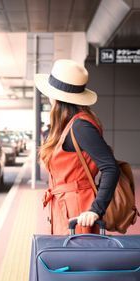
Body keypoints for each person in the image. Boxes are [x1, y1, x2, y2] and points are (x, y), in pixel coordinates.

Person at [35, 59, 120, 235]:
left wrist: (96, 209)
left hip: (78, 210)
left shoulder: (80, 126)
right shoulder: (69, 125)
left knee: (78, 260)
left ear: (56, 97)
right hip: (66, 206)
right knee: (69, 259)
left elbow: (110, 167)